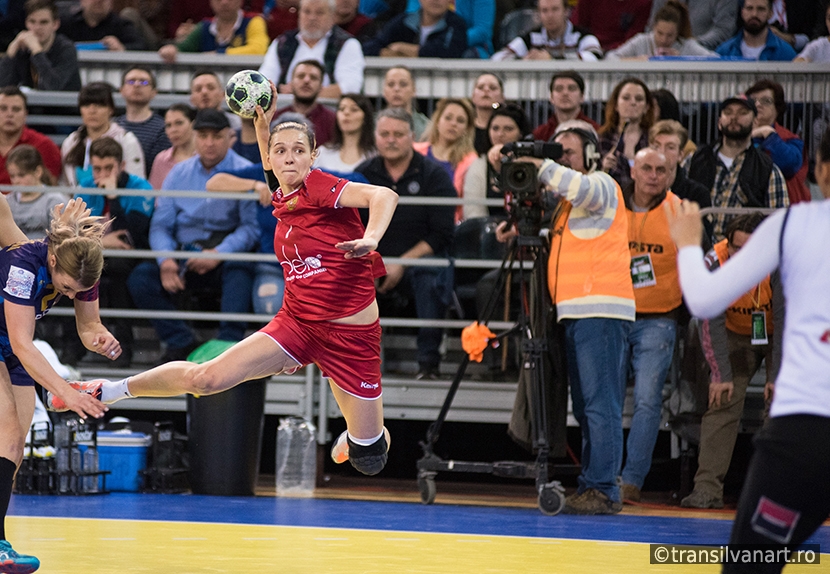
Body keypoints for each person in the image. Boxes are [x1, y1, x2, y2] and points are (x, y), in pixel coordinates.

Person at [51, 83, 401, 479]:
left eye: (299, 151)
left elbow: (384, 195)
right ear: (269, 155)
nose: (289, 158)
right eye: (280, 150)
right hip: (298, 324)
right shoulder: (280, 194)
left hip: (351, 338)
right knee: (207, 378)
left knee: (368, 459)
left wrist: (371, 238)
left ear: (313, 156)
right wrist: (262, 121)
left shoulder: (321, 186)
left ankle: (359, 438)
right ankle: (105, 391)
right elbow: (261, 164)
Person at [664, 127, 830, 574]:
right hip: (792, 400)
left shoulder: (794, 224)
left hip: (808, 428)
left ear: (819, 171)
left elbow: (702, 300)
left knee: (751, 564)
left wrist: (685, 243)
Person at [497, 118, 634, 514]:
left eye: (566, 152)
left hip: (601, 310)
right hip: (579, 312)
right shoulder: (568, 207)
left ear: (590, 155)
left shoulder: (602, 184)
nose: (557, 160)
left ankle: (604, 488)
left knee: (599, 405)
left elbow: (580, 185)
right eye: (554, 152)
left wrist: (539, 163)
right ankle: (596, 484)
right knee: (588, 406)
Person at [0, 198, 113, 573]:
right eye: (65, 288)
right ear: (52, 262)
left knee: (13, 451)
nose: (68, 295)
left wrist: (100, 337)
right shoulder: (22, 264)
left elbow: (87, 326)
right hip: (10, 343)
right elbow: (22, 342)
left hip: (10, 347)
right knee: (8, 435)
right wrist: (62, 390)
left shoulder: (82, 269)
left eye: (75, 291)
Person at [126, 109, 259, 363]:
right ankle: (181, 341)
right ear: (194, 137)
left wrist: (219, 253)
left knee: (241, 269)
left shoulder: (244, 171)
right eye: (203, 135)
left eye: (217, 136)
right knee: (141, 278)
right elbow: (161, 225)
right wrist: (166, 260)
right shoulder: (178, 173)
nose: (209, 143)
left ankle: (228, 346)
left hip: (223, 253)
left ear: (231, 137)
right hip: (183, 252)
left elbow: (250, 228)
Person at [678, 212, 783, 510]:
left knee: (781, 404)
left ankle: (774, 494)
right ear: (727, 244)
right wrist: (720, 373)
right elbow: (709, 322)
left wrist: (777, 376)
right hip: (732, 333)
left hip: (779, 335)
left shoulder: (780, 260)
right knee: (722, 400)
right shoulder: (714, 261)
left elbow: (788, 320)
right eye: (736, 248)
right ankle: (707, 490)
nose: (742, 256)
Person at [356, 108, 455, 380]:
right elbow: (348, 226)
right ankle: (362, 365)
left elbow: (442, 233)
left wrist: (401, 263)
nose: (391, 140)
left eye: (398, 134)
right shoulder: (362, 174)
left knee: (430, 274)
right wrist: (372, 261)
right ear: (375, 137)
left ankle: (428, 364)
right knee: (347, 273)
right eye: (384, 134)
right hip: (372, 260)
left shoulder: (434, 175)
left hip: (418, 261)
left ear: (412, 136)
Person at [618, 148, 682, 504]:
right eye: (647, 168)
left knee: (647, 401)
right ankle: (601, 474)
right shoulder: (612, 205)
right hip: (614, 313)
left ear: (670, 174)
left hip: (659, 318)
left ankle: (631, 480)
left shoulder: (680, 211)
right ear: (634, 169)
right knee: (605, 399)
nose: (654, 175)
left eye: (662, 169)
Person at [74, 137, 154, 367]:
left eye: (109, 168)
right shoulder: (86, 187)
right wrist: (104, 241)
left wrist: (113, 196)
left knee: (118, 268)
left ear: (122, 165)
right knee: (73, 269)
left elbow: (131, 236)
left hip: (132, 256)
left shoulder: (140, 187)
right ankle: (75, 346)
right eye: (97, 169)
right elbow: (76, 233)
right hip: (94, 253)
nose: (103, 175)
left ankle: (123, 346)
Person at [687, 94, 789, 241]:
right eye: (728, 112)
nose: (734, 117)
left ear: (755, 122)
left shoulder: (768, 170)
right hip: (696, 249)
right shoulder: (694, 160)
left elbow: (780, 224)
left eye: (742, 112)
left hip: (743, 254)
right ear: (719, 122)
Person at [259, 0, 365, 98]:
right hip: (284, 111)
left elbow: (351, 87)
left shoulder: (348, 44)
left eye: (319, 13)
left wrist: (302, 93)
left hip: (331, 113)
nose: (312, 18)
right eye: (307, 12)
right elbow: (263, 82)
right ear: (299, 14)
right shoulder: (282, 42)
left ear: (332, 16)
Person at [60, 82, 145, 187]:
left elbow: (137, 183)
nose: (92, 111)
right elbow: (65, 184)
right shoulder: (71, 142)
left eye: (99, 105)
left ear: (111, 110)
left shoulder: (127, 141)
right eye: (86, 105)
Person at [745, 79, 811, 204]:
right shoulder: (737, 136)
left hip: (780, 209)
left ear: (778, 108)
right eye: (753, 100)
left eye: (766, 101)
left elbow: (789, 165)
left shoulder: (791, 140)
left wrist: (769, 134)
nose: (758, 104)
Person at [462, 102, 528, 220]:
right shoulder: (478, 165)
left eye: (508, 129)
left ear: (520, 133)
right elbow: (473, 213)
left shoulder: (531, 164)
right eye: (495, 128)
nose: (500, 134)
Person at [0, 0, 82, 91]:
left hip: (62, 104)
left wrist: (37, 51)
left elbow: (53, 86)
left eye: (44, 22)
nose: (37, 28)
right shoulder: (22, 48)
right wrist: (11, 52)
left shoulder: (66, 49)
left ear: (55, 24)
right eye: (32, 21)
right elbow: (3, 86)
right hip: (29, 104)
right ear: (26, 23)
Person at [413, 97, 478, 207]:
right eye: (448, 118)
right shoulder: (414, 151)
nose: (453, 124)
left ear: (467, 129)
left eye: (460, 120)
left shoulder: (471, 161)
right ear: (438, 121)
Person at [158, 0, 269, 62]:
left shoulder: (254, 21)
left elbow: (258, 50)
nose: (224, 2)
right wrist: (171, 49)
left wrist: (219, 54)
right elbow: (183, 48)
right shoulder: (204, 26)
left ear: (241, 1)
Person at [491, 0, 601, 61]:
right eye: (544, 10)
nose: (550, 15)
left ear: (567, 11)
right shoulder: (531, 37)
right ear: (538, 14)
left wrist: (552, 58)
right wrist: (524, 59)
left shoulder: (582, 36)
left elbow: (595, 57)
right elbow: (497, 58)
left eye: (555, 9)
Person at [606, 0, 715, 59]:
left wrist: (683, 59)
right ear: (653, 27)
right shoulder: (641, 41)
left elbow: (716, 60)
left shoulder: (686, 45)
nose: (663, 39)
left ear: (677, 33)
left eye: (670, 35)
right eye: (660, 33)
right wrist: (638, 60)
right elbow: (610, 57)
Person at [362, 0, 468, 59]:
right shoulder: (403, 21)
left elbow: (448, 52)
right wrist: (388, 54)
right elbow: (370, 47)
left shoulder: (457, 24)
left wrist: (400, 48)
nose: (436, 0)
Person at [598, 77, 653, 190]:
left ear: (646, 107)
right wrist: (603, 169)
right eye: (626, 98)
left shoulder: (653, 139)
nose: (633, 103)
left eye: (639, 99)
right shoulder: (602, 139)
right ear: (616, 105)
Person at [115, 66, 170, 177]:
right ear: (121, 90)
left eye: (144, 82)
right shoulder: (113, 127)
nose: (137, 85)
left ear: (154, 92)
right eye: (131, 81)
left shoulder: (163, 129)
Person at [0, 86, 61, 185]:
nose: (9, 114)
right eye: (3, 108)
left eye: (16, 109)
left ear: (25, 114)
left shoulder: (44, 145)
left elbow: (50, 188)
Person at [5, 145, 69, 239]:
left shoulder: (55, 201)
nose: (16, 181)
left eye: (21, 175)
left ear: (38, 172)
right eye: (12, 176)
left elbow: (61, 240)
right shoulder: (6, 202)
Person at [272, 59, 337, 147]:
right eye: (301, 76)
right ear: (291, 83)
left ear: (321, 86)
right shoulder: (275, 118)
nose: (306, 80)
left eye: (313, 77)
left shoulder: (332, 121)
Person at [403, 0, 493, 57]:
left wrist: (449, 43)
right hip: (422, 45)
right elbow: (409, 21)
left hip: (469, 48)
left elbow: (482, 31)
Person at [715, 0, 797, 61]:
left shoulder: (786, 53)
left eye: (761, 9)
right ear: (742, 12)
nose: (754, 14)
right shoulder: (724, 52)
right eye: (749, 8)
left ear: (770, 13)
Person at [314, 93, 376, 172]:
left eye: (354, 109)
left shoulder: (374, 156)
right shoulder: (322, 153)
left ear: (365, 117)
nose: (346, 113)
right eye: (342, 109)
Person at [532, 70, 599, 142]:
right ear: (551, 97)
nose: (565, 93)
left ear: (582, 96)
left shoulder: (596, 131)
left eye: (571, 88)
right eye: (559, 89)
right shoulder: (539, 134)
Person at [647, 0, 739, 50]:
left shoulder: (690, 46)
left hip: (703, 55)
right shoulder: (640, 42)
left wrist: (689, 46)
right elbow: (652, 25)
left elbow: (724, 30)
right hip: (659, 54)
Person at [60, 0, 147, 50]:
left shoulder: (121, 25)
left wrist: (121, 47)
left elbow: (141, 46)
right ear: (82, 1)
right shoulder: (65, 23)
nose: (99, 1)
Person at [570, 0, 652, 51]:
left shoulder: (643, 2)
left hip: (623, 52)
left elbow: (634, 37)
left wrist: (609, 49)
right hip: (588, 48)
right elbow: (577, 26)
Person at [149, 103, 197, 189]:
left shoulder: (206, 158)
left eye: (179, 123)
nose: (173, 130)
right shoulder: (161, 160)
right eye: (168, 125)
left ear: (193, 124)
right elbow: (155, 197)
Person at [379, 66, 429, 141]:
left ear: (414, 90)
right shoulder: (372, 124)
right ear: (384, 91)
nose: (396, 89)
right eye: (391, 84)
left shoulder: (426, 127)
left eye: (403, 84)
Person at [469, 73, 505, 155]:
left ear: (502, 97)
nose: (486, 90)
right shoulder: (464, 127)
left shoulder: (509, 128)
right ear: (473, 96)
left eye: (493, 88)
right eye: (480, 87)